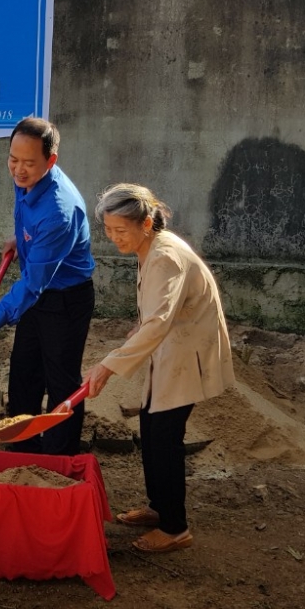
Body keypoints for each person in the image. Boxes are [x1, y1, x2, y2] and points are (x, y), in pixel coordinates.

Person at [83, 184, 235, 554]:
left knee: (164, 437)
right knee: (152, 428)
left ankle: (175, 527)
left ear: (146, 223)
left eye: (121, 231)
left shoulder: (164, 256)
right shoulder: (150, 247)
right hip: (172, 347)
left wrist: (107, 366)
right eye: (108, 229)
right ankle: (158, 507)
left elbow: (158, 321)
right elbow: (158, 312)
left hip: (186, 353)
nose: (113, 238)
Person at [0, 118, 95, 455]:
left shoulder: (59, 212)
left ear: (51, 161)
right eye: (13, 159)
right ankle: (22, 451)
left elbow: (33, 284)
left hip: (64, 299)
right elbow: (30, 229)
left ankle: (57, 461)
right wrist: (21, 241)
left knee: (61, 382)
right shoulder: (26, 181)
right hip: (39, 290)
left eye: (29, 163)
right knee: (24, 373)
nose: (19, 170)